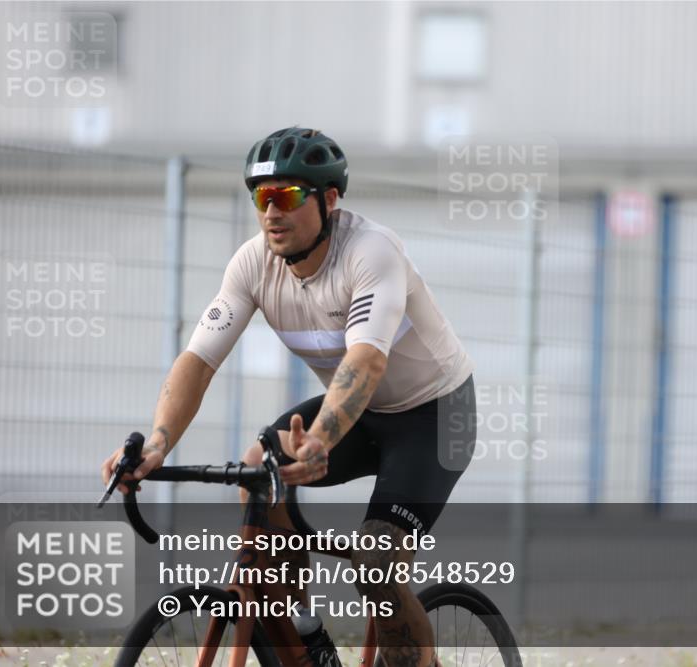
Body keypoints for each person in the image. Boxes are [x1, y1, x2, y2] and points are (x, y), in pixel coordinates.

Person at [101, 127, 476, 667]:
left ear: (329, 200)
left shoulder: (372, 252)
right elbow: (198, 361)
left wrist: (320, 439)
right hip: (363, 412)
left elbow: (366, 361)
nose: (271, 212)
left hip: (435, 417)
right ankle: (306, 638)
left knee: (376, 559)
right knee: (259, 469)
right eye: (260, 197)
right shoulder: (252, 264)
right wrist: (157, 444)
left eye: (287, 196)